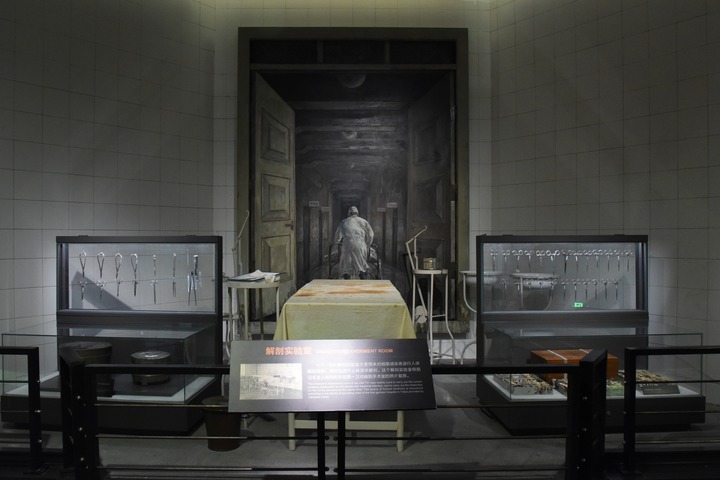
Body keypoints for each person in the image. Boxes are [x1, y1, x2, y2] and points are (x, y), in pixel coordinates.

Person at [333, 206, 374, 279]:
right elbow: (370, 235)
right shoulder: (364, 221)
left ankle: (347, 276)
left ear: (349, 214)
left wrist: (337, 243)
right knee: (361, 262)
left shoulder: (343, 222)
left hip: (347, 245)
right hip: (360, 244)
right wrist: (368, 244)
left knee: (347, 263)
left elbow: (337, 236)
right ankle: (362, 274)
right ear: (357, 213)